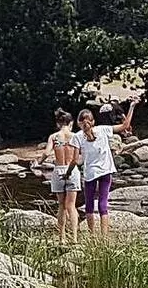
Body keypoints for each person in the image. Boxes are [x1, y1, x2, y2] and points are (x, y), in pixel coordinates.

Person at [68, 97, 139, 238]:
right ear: (93, 121)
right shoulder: (103, 129)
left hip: (90, 173)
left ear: (78, 123)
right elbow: (125, 125)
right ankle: (104, 238)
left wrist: (67, 173)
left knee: (89, 205)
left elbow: (75, 160)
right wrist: (132, 106)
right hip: (106, 171)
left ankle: (92, 236)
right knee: (103, 205)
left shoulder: (77, 137)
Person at [31, 109, 81, 244]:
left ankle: (61, 238)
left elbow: (47, 153)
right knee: (71, 206)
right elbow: (80, 155)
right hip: (72, 170)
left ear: (58, 124)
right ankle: (74, 238)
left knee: (61, 205)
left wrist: (38, 162)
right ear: (71, 123)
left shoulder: (53, 137)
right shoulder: (76, 136)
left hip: (58, 170)